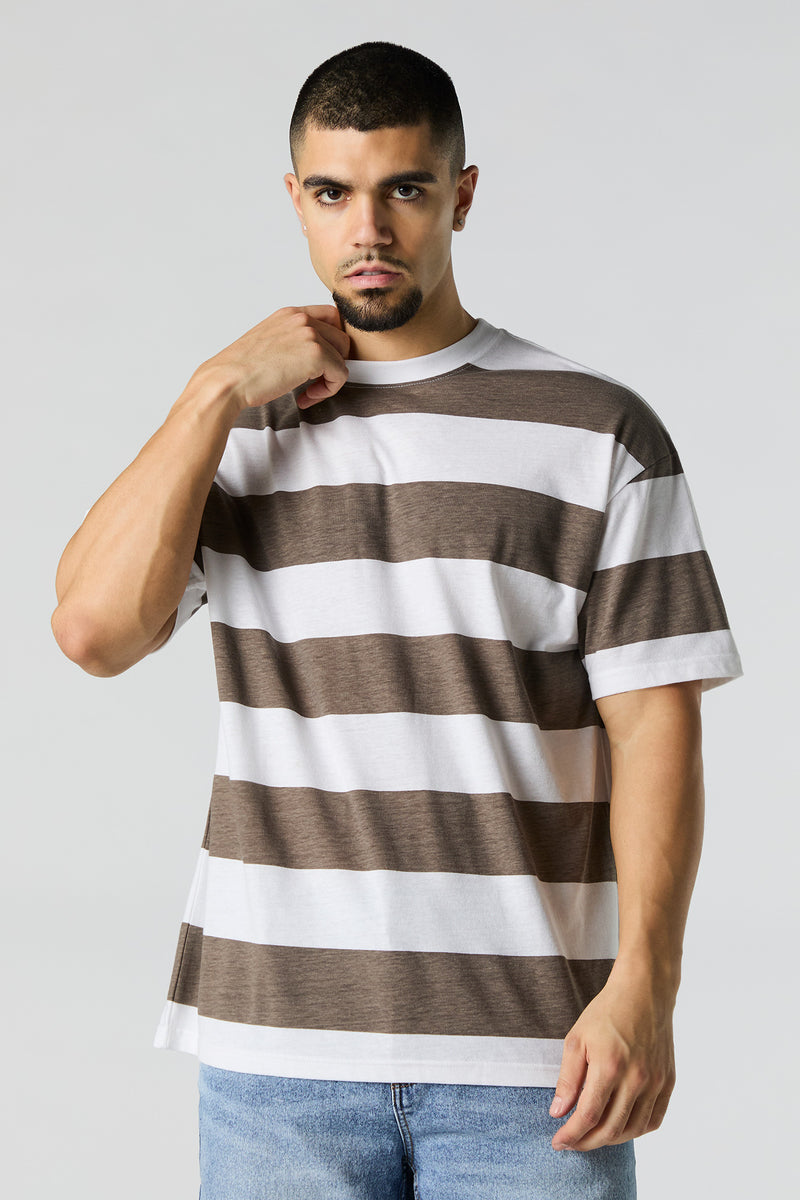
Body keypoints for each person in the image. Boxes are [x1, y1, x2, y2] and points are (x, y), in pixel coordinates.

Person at [51, 40, 742, 1200]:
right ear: (295, 201)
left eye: (403, 190)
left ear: (459, 195)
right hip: (277, 1061)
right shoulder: (237, 433)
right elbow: (92, 632)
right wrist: (211, 392)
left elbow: (653, 726)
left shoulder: (595, 432)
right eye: (332, 194)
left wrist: (646, 985)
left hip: (532, 1062)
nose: (366, 230)